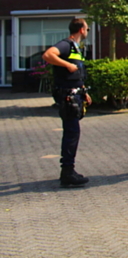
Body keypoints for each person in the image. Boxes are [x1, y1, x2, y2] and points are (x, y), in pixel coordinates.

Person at [42, 18, 92, 187]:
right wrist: (67, 65)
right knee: (71, 133)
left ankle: (68, 170)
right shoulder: (66, 44)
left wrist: (84, 91)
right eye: (87, 28)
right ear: (81, 30)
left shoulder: (76, 48)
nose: (88, 31)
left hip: (75, 95)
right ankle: (67, 172)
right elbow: (48, 55)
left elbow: (77, 73)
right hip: (68, 97)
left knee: (72, 133)